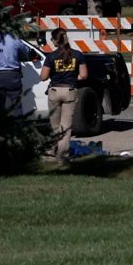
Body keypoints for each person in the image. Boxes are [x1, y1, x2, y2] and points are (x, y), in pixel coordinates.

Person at [40, 28, 88, 164]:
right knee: (66, 127)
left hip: (54, 92)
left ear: (55, 40)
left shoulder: (51, 57)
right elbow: (84, 75)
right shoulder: (78, 55)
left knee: (55, 125)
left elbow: (43, 77)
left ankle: (51, 153)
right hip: (70, 91)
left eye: (51, 39)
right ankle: (62, 155)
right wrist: (73, 78)